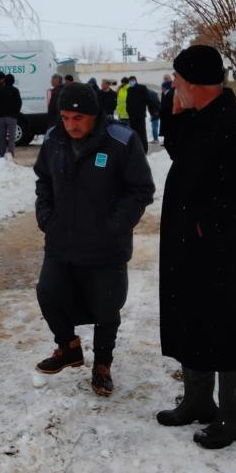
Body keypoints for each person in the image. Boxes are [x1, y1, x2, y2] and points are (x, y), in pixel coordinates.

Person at [156, 45, 236, 450]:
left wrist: (208, 224)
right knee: (191, 318)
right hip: (187, 246)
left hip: (220, 252)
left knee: (227, 328)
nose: (173, 87)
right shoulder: (196, 116)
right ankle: (198, 401)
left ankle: (232, 418)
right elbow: (179, 152)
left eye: (177, 82)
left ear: (195, 83)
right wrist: (175, 112)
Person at [34, 82, 154, 396]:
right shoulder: (52, 139)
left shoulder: (122, 140)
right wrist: (46, 217)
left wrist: (115, 224)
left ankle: (102, 365)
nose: (71, 125)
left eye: (78, 118)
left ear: (93, 114)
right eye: (65, 118)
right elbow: (43, 181)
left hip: (105, 246)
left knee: (106, 307)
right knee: (49, 293)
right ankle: (69, 347)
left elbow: (141, 190)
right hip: (62, 240)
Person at [0, 72, 22, 158]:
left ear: (5, 81)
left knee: (2, 137)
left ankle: (2, 153)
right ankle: (11, 153)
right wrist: (16, 113)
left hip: (1, 117)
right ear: (13, 81)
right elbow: (19, 103)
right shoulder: (15, 91)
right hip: (12, 118)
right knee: (11, 137)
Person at [125, 76, 157, 154]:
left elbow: (148, 100)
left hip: (140, 115)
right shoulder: (129, 89)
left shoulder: (142, 88)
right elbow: (128, 102)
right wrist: (128, 111)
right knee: (134, 133)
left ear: (136, 81)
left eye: (132, 81)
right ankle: (135, 148)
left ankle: (144, 149)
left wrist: (153, 110)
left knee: (142, 133)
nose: (131, 82)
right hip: (132, 116)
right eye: (130, 81)